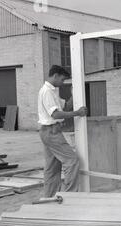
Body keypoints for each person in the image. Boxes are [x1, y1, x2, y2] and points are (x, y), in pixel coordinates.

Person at [38, 65, 87, 198]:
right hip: (51, 132)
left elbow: (64, 106)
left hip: (49, 132)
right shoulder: (47, 91)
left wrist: (74, 94)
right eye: (62, 79)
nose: (63, 82)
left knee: (52, 168)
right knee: (72, 161)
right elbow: (56, 114)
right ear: (55, 76)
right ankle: (70, 196)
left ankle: (49, 197)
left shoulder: (53, 91)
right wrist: (77, 113)